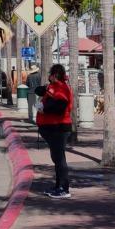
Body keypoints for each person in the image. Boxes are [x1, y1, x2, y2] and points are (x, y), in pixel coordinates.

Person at [35, 64, 75, 199]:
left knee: (59, 158)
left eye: (50, 74)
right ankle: (58, 186)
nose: (49, 77)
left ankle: (64, 188)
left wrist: (44, 109)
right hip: (52, 128)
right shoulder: (54, 87)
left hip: (58, 128)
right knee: (57, 158)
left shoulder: (61, 87)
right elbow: (41, 91)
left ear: (54, 75)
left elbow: (61, 105)